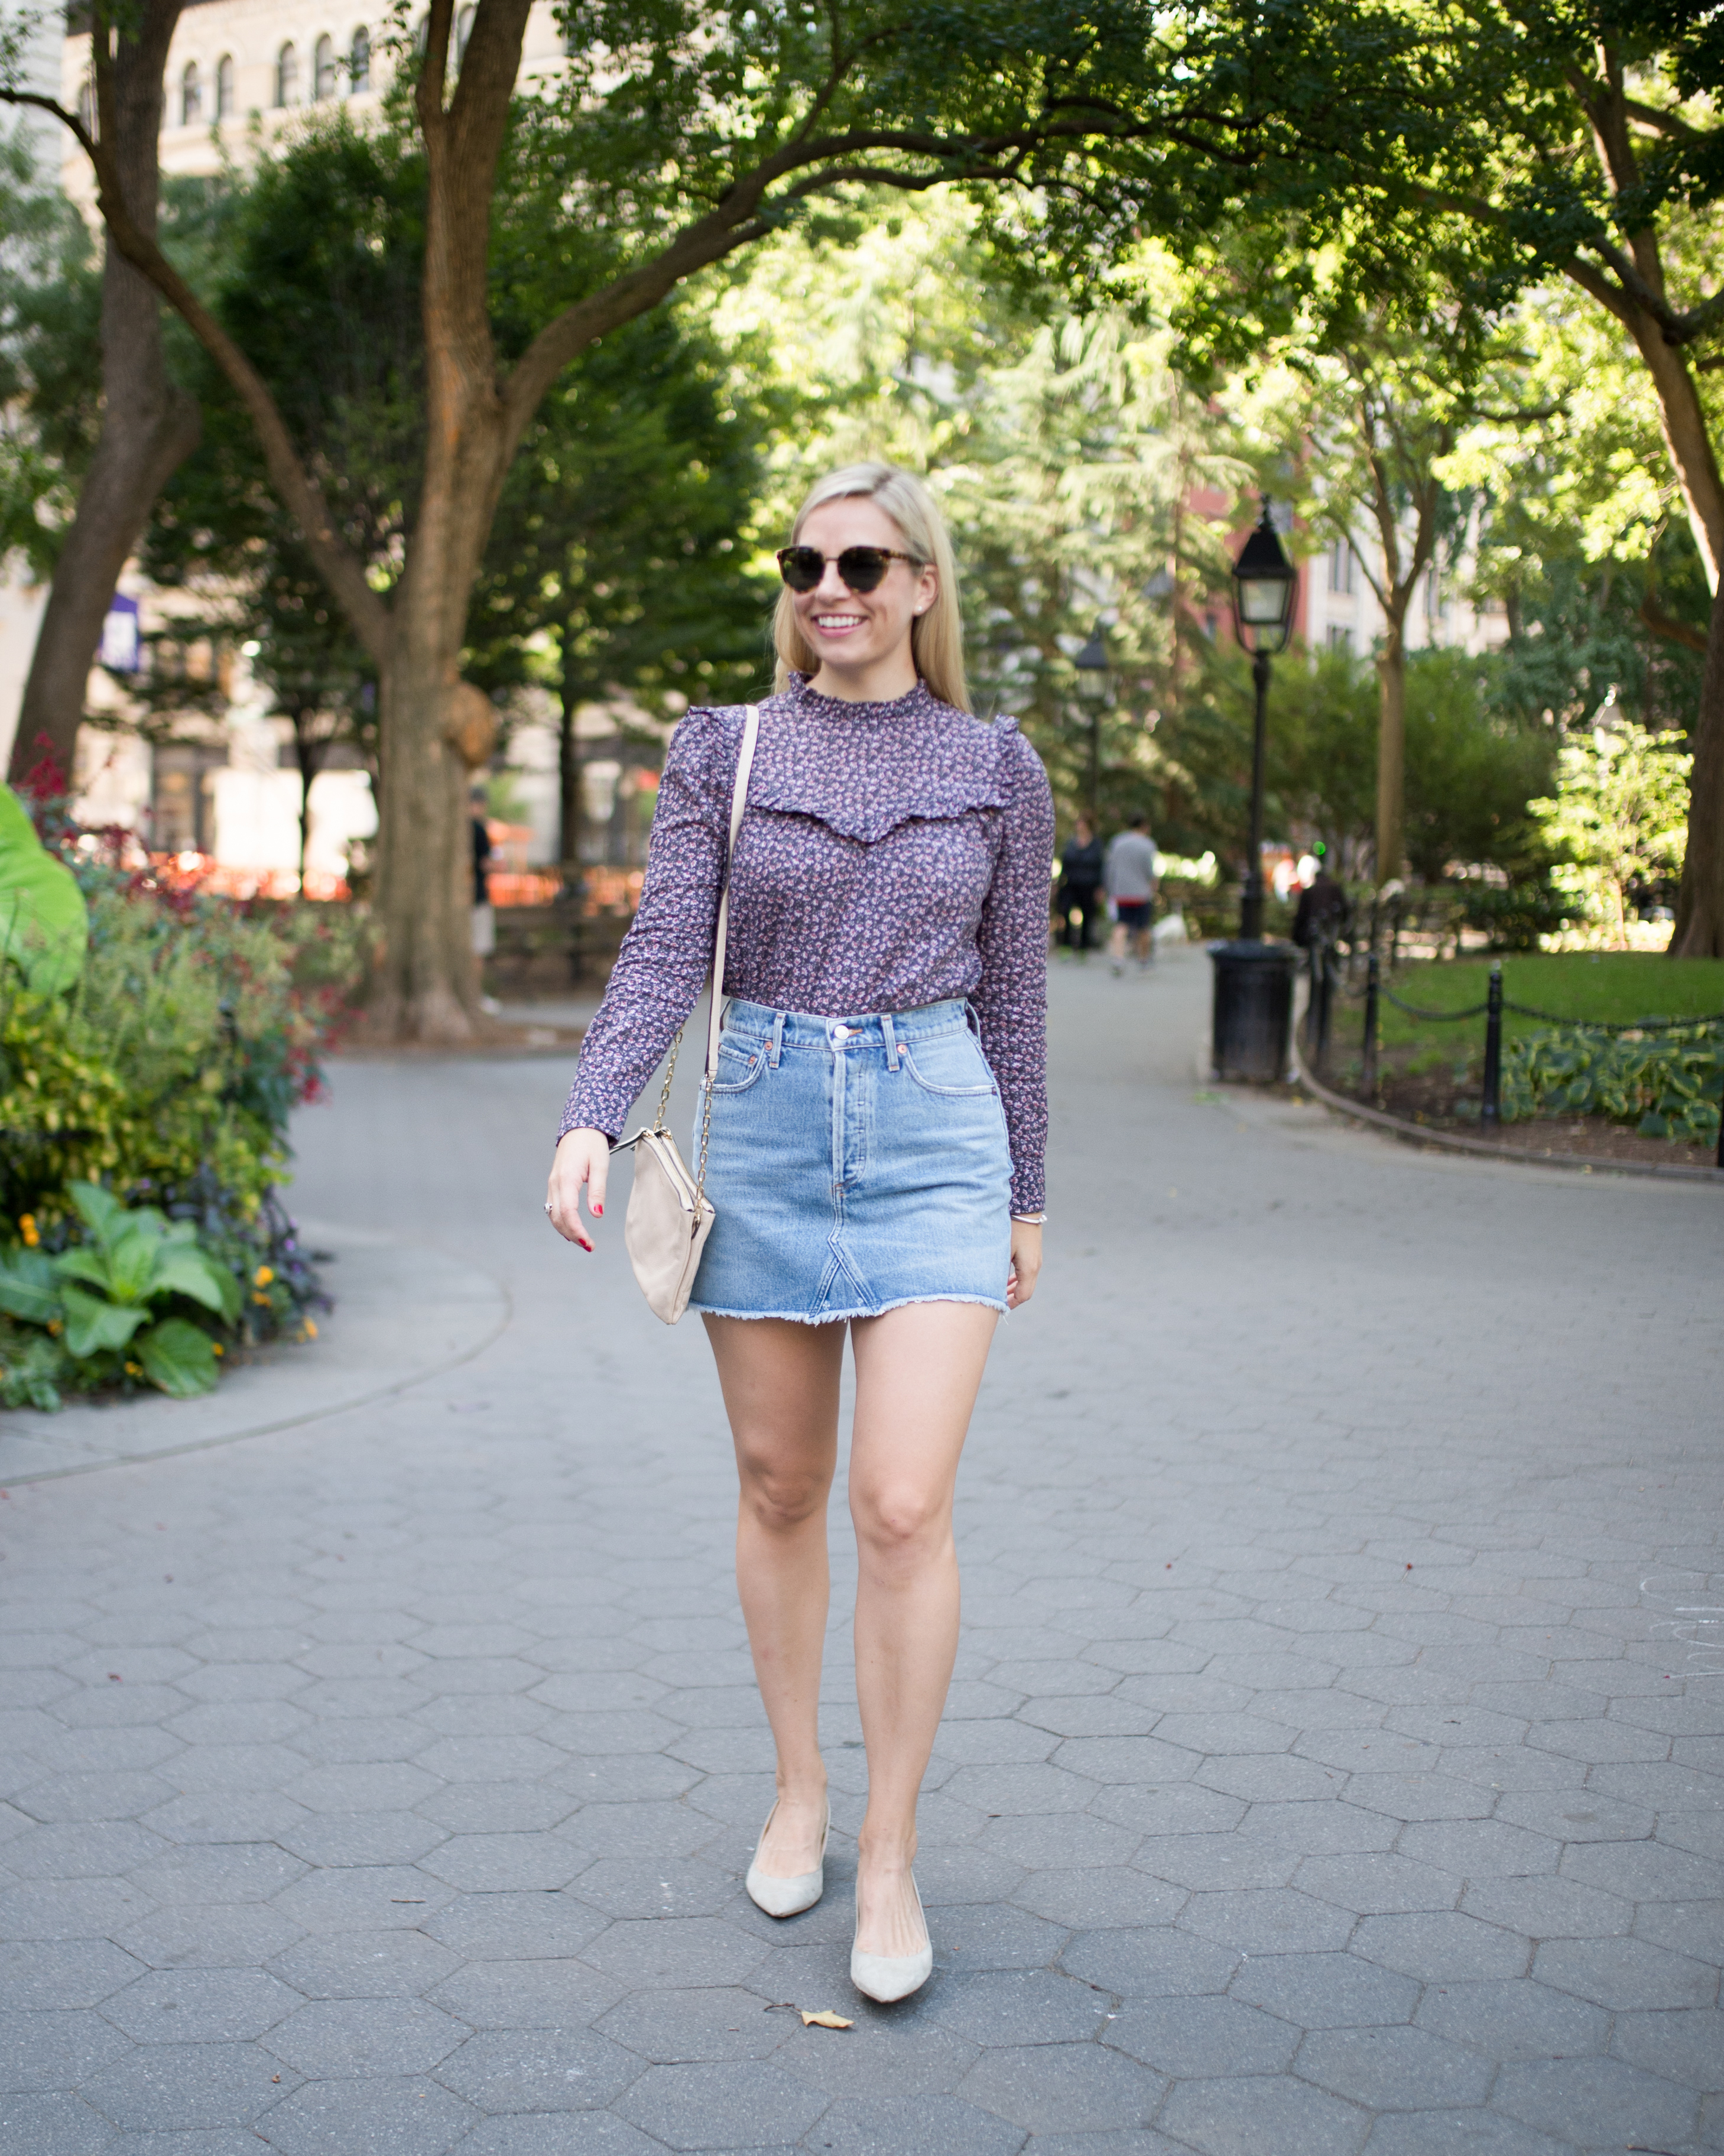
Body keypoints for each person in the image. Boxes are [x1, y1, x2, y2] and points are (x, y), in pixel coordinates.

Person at [545, 462, 1051, 2005]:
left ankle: (889, 1851)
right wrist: (593, 1105)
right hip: (761, 1123)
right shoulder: (727, 748)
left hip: (933, 1135)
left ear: (919, 585)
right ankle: (798, 1791)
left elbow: (1016, 992)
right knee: (780, 1485)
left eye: (859, 561)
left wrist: (1026, 1191)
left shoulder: (995, 764)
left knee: (900, 1506)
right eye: (803, 561)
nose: (825, 586)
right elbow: (659, 944)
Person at [1105, 813, 1158, 972]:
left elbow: (1111, 868)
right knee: (1143, 927)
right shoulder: (1148, 845)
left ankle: (1118, 958)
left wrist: (1110, 888)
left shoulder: (1117, 842)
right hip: (1141, 893)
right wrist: (1153, 884)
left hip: (1122, 892)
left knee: (1121, 925)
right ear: (1144, 826)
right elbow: (1150, 870)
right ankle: (1143, 958)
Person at [1057, 817, 1104, 953]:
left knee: (1087, 915)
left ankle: (1084, 946)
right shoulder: (1071, 843)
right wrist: (1059, 884)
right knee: (1065, 912)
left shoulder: (1096, 844)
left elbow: (1100, 866)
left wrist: (1100, 888)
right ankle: (1065, 945)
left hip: (1089, 885)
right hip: (1070, 884)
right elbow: (1064, 864)